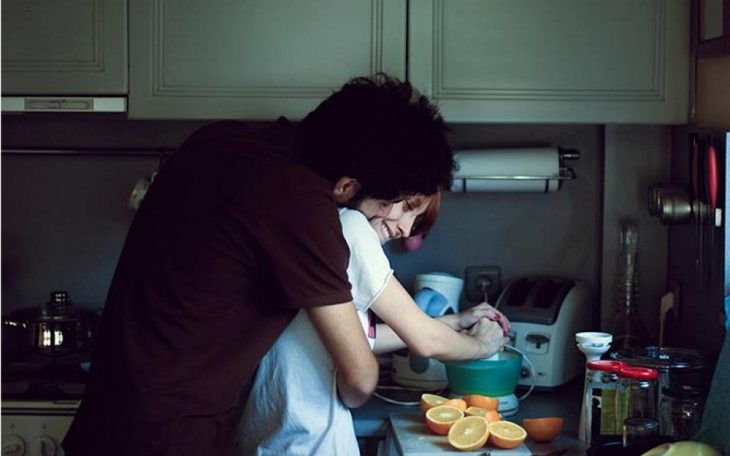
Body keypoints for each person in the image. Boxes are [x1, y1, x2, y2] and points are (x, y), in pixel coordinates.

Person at [62, 73, 469, 456]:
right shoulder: (301, 201)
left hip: (106, 421)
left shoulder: (218, 139)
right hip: (167, 437)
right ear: (346, 185)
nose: (386, 219)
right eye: (384, 205)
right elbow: (360, 377)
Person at [235, 193, 510, 455]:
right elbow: (425, 341)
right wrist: (483, 344)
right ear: (387, 194)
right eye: (408, 208)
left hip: (269, 437)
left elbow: (362, 339)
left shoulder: (320, 226)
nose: (405, 229)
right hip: (310, 441)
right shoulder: (351, 226)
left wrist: (453, 321)